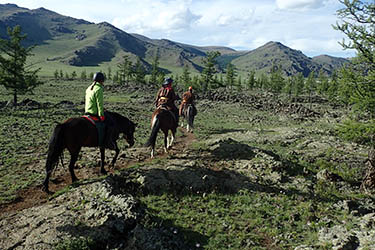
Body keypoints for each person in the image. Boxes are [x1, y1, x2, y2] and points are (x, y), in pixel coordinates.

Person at [85, 72, 116, 149]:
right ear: (101, 80)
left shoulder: (89, 88)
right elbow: (99, 103)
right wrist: (101, 115)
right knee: (111, 123)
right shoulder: (99, 89)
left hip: (87, 112)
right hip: (94, 113)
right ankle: (107, 142)